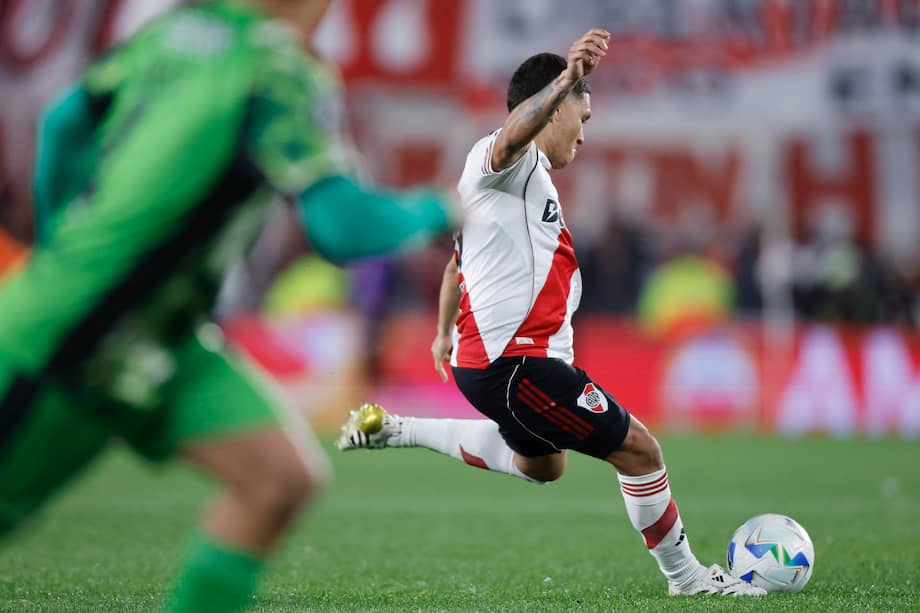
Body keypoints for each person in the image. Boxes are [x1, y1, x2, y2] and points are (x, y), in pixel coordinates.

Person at [0, 1, 456, 612]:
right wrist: (446, 208)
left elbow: (64, 125)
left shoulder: (171, 32)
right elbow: (343, 227)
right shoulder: (278, 68)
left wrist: (62, 242)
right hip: (66, 342)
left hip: (155, 336)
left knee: (277, 478)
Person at [337, 29, 765, 598]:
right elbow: (514, 132)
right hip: (516, 364)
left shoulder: (512, 190)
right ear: (555, 107)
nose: (583, 135)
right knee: (640, 451)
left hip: (494, 365)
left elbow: (456, 265)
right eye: (581, 118)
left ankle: (397, 429)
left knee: (543, 466)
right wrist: (567, 77)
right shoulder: (501, 160)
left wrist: (442, 333)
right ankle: (688, 580)